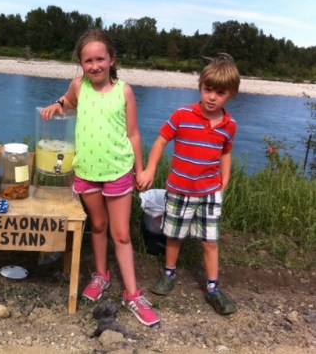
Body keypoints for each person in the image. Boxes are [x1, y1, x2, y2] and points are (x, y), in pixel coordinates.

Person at [41, 28, 160, 327]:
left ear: (111, 60)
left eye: (100, 59)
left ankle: (132, 294)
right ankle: (101, 275)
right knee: (97, 226)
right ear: (81, 64)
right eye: (88, 60)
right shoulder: (79, 86)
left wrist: (141, 170)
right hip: (87, 171)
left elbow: (133, 133)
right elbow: (68, 101)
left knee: (120, 234)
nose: (94, 66)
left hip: (118, 169)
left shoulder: (124, 91)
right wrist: (57, 105)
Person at [137, 54, 240, 315]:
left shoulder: (230, 126)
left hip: (209, 193)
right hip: (180, 191)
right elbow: (161, 140)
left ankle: (213, 288)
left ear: (231, 95)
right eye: (208, 89)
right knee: (174, 235)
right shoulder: (183, 114)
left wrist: (225, 179)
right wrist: (150, 168)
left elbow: (226, 152)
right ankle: (169, 273)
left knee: (210, 241)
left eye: (220, 92)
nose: (212, 97)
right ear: (200, 87)